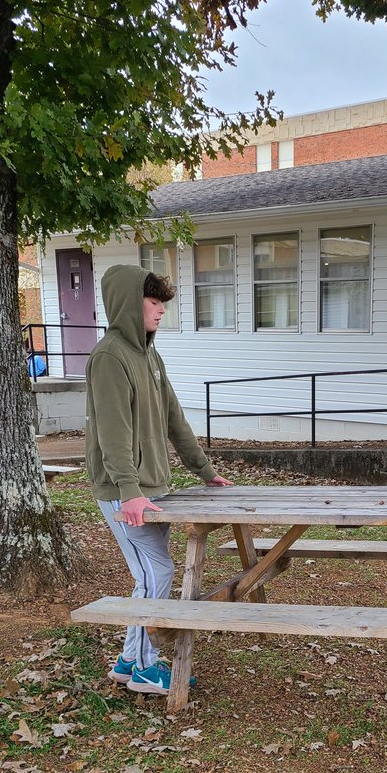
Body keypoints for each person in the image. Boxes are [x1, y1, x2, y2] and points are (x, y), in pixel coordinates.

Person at [85, 263, 232, 696]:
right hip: (124, 492)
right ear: (131, 304)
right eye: (153, 302)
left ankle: (130, 661)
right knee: (159, 570)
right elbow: (111, 432)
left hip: (154, 487)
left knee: (149, 574)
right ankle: (146, 669)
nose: (161, 311)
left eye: (163, 304)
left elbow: (174, 419)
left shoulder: (149, 354)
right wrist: (129, 491)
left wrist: (205, 471)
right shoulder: (109, 357)